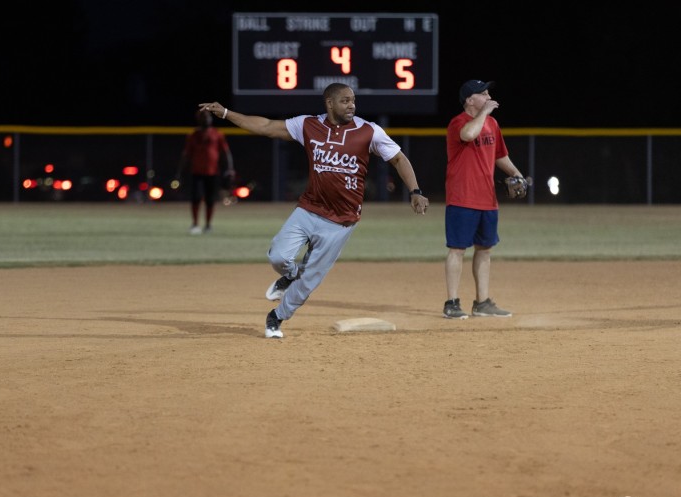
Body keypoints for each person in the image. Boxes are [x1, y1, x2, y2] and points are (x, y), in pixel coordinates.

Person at [199, 83, 429, 338]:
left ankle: (277, 317)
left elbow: (398, 158)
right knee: (278, 256)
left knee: (309, 282)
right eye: (344, 100)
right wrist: (225, 113)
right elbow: (266, 127)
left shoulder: (369, 131)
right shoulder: (308, 125)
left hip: (341, 221)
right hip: (309, 209)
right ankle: (291, 274)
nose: (351, 105)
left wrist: (415, 191)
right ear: (329, 103)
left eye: (353, 100)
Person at [442, 80, 527, 319]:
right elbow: (469, 135)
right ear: (470, 100)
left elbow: (500, 155)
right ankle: (451, 302)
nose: (489, 96)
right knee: (457, 249)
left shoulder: (492, 124)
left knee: (485, 250)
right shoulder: (458, 123)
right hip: (462, 197)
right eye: (483, 94)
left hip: (487, 199)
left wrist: (516, 173)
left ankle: (482, 302)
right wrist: (485, 111)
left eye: (488, 93)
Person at [175, 108, 235, 235]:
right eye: (204, 117)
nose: (207, 119)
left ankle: (208, 225)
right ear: (199, 119)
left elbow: (225, 153)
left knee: (210, 200)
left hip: (213, 172)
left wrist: (229, 169)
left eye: (208, 116)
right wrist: (180, 172)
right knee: (196, 198)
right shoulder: (193, 135)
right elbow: (186, 154)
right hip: (196, 171)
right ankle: (195, 224)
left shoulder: (217, 134)